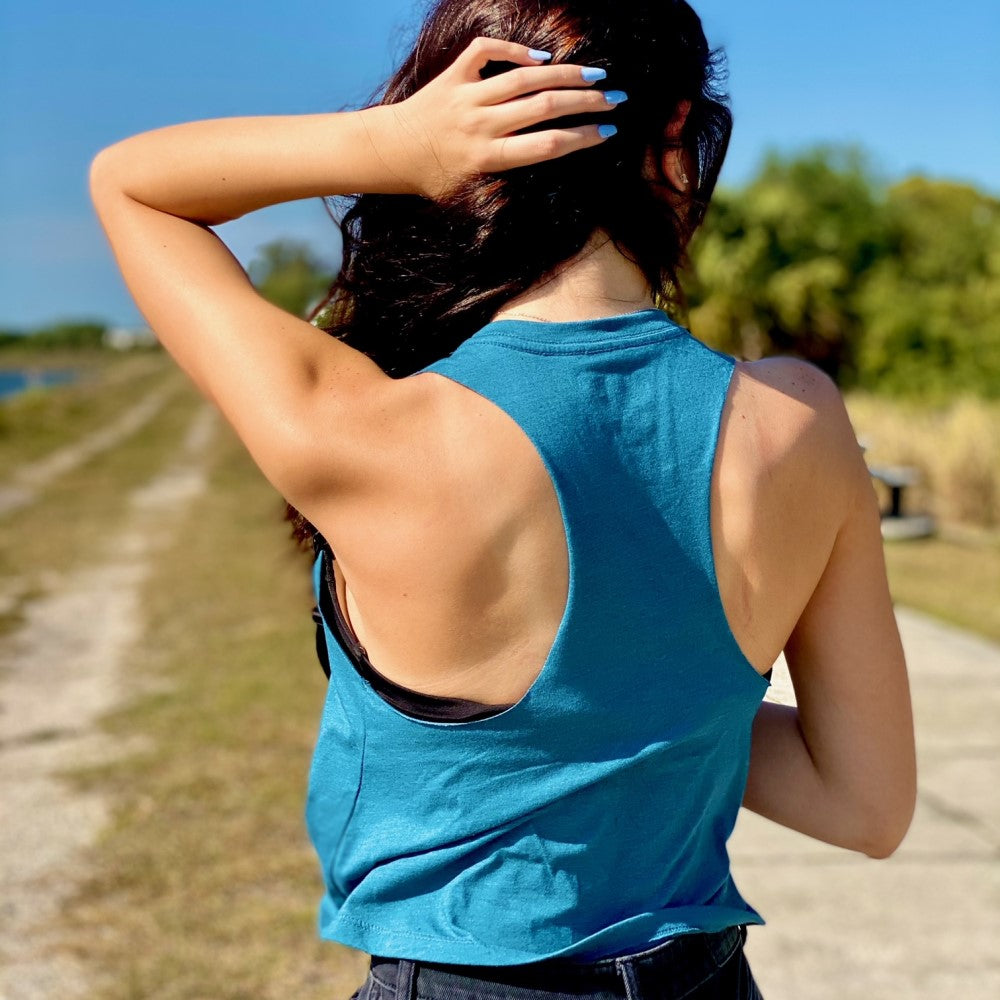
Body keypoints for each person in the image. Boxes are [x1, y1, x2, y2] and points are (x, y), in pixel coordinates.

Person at [89, 1, 917, 997]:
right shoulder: (801, 420)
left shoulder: (365, 429)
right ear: (676, 142)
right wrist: (655, 685)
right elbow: (863, 803)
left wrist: (387, 145)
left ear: (460, 141)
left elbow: (130, 185)